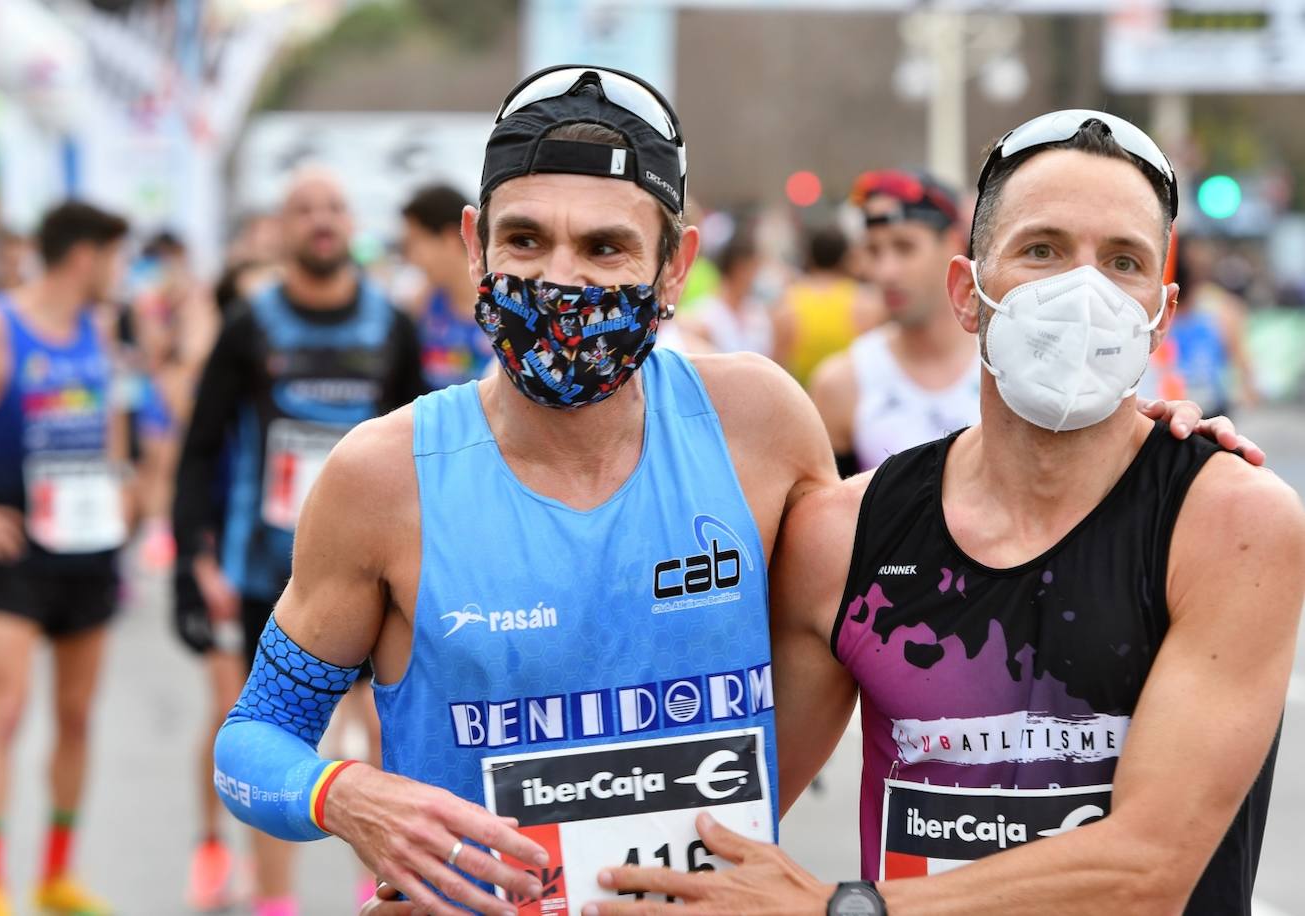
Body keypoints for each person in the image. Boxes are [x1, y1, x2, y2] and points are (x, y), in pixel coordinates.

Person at [211, 72, 1239, 916]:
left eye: (607, 246)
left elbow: (954, 526)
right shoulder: (384, 475)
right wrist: (345, 796)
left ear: (675, 266)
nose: (562, 278)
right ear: (476, 244)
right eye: (527, 241)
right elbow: (250, 741)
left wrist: (1145, 453)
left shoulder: (757, 424)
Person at [587, 111, 1299, 916]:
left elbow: (1146, 871)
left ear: (1159, 315)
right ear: (969, 293)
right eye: (1043, 250)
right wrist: (441, 854)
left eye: (1123, 261)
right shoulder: (845, 537)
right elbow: (699, 822)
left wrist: (843, 908)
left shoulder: (1231, 524)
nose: (1083, 292)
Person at [173, 165, 424, 915]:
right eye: (304, 208)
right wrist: (193, 556)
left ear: (352, 226)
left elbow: (420, 448)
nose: (322, 219)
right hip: (267, 572)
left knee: (384, 734)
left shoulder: (390, 327)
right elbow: (200, 447)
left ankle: (382, 887)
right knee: (268, 741)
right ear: (281, 230)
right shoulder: (251, 328)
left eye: (335, 207)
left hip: (374, 571)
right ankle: (265, 894)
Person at [0, 201, 135, 916]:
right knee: (7, 710)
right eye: (115, 256)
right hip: (17, 555)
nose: (121, 272)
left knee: (76, 717)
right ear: (83, 255)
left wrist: (124, 489)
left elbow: (107, 419)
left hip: (89, 552)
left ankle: (54, 875)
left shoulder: (98, 330)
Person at [810, 170, 980, 476]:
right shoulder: (842, 384)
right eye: (873, 250)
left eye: (905, 247)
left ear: (953, 243)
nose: (886, 272)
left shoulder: (1005, 363)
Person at [399, 184, 496, 390]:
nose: (411, 258)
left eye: (416, 242)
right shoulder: (420, 305)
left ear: (450, 239)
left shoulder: (502, 306)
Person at [775, 225, 882, 385]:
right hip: (850, 402)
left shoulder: (788, 304)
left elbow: (777, 366)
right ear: (845, 258)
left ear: (810, 257)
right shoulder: (866, 303)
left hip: (803, 403)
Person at [1170, 234, 1260, 417]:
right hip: (1164, 404)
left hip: (1209, 408)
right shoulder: (1160, 305)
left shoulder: (1221, 308)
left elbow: (1241, 355)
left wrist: (1248, 385)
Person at [680, 232, 777, 357]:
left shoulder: (758, 313)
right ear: (739, 267)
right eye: (753, 267)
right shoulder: (705, 314)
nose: (757, 275)